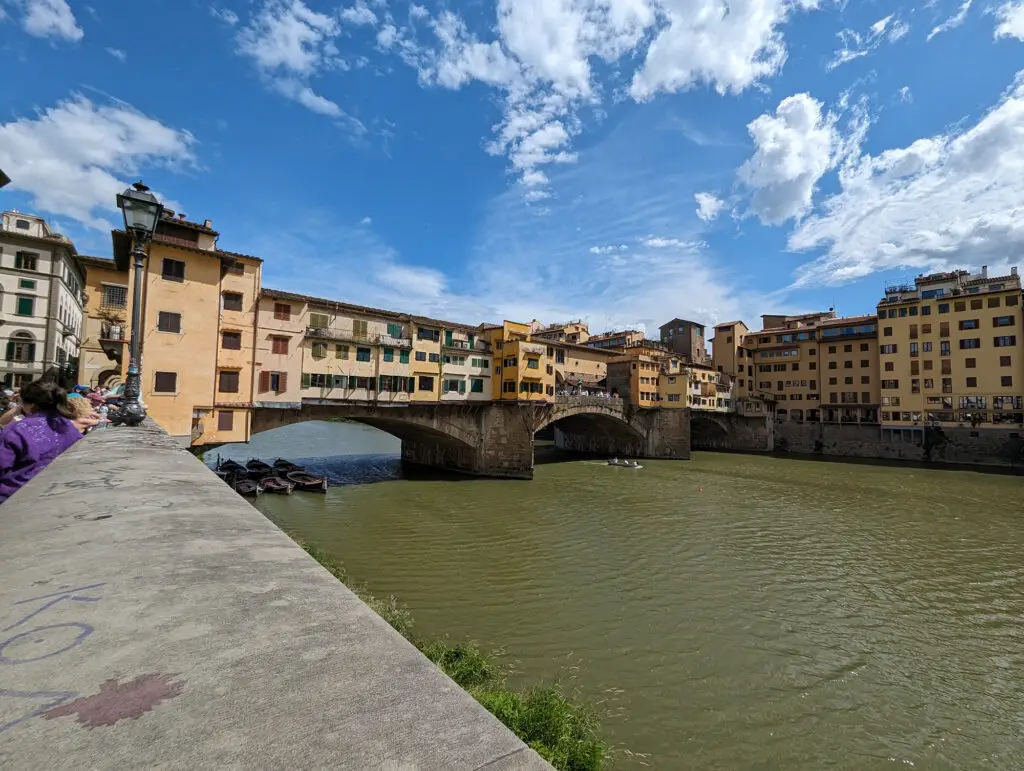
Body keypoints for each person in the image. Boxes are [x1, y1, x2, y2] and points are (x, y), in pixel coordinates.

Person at [0, 380, 87, 504]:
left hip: (13, 497)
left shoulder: (17, 429)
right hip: (53, 496)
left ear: (31, 404)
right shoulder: (71, 429)